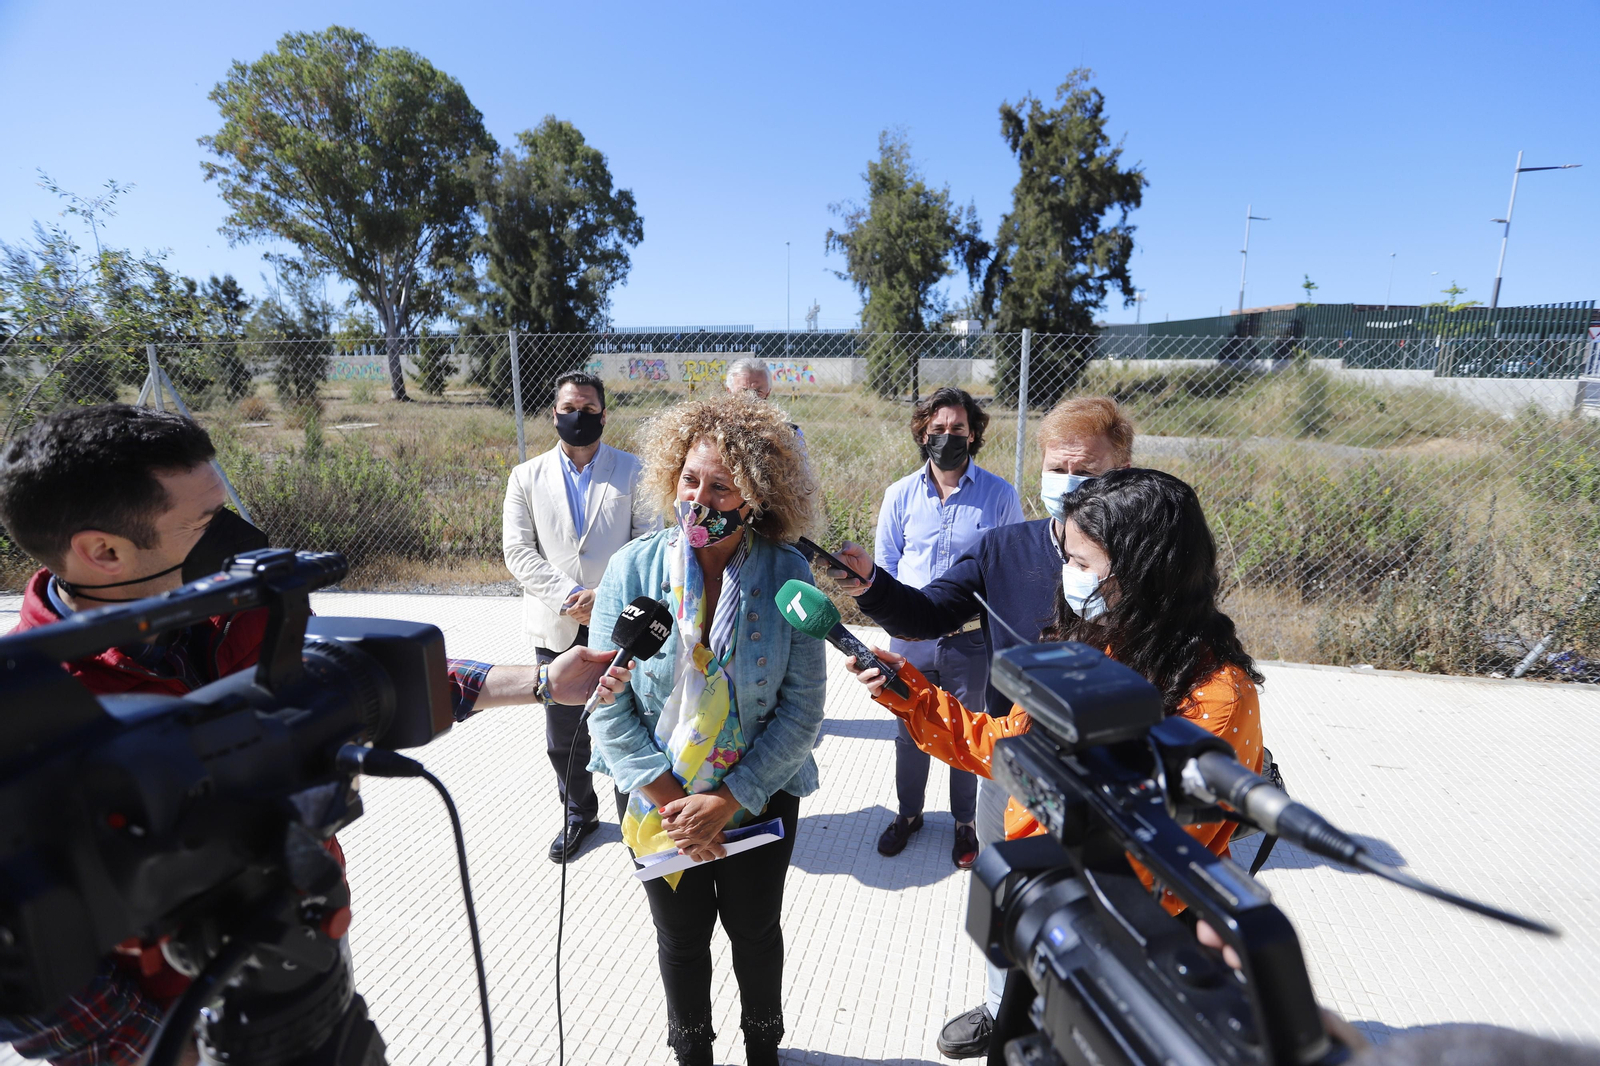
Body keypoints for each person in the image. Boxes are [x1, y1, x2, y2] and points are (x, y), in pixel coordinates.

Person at [0, 403, 629, 1066]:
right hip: (181, 1026)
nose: (236, 535)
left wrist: (542, 682)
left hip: (301, 960)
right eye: (205, 522)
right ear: (104, 552)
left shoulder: (228, 605)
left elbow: (353, 679)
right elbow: (31, 989)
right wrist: (173, 1048)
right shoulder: (32, 722)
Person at [847, 468, 1267, 1061]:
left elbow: (1136, 861)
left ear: (1145, 570)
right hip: (1050, 917)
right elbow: (1006, 745)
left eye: (1081, 562)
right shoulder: (1092, 641)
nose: (1066, 575)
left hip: (1125, 952)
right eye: (1066, 557)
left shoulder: (1214, 701)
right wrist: (912, 694)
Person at [833, 395, 1133, 1056]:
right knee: (1007, 893)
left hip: (1112, 774)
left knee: (1100, 908)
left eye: (1087, 471)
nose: (1069, 483)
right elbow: (926, 613)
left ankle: (1088, 1024)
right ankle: (1003, 1008)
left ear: (1123, 472)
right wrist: (871, 585)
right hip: (1013, 755)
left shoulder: (1150, 557)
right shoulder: (1006, 549)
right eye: (1058, 468)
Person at [585, 393, 825, 1066]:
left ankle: (763, 1049)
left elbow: (803, 710)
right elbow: (605, 704)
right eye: (690, 479)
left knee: (756, 931)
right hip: (655, 798)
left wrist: (727, 799)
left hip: (758, 794)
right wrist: (672, 802)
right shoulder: (633, 569)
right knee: (681, 938)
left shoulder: (787, 573)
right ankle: (692, 1053)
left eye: (721, 486)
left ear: (756, 497)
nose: (699, 498)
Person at [503, 369, 657, 862]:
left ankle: (637, 819)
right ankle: (579, 814)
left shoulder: (634, 471)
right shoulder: (526, 476)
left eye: (588, 409)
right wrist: (572, 595)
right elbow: (518, 552)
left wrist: (603, 596)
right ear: (554, 415)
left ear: (604, 415)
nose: (578, 417)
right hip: (557, 621)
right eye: (569, 409)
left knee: (628, 722)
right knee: (564, 732)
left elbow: (647, 541)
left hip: (621, 621)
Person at [872, 387, 1022, 868]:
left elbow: (1011, 566)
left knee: (966, 732)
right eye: (937, 429)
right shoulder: (900, 494)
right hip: (910, 639)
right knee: (909, 730)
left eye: (958, 428)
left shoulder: (999, 495)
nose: (947, 436)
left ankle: (964, 823)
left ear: (973, 434)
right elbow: (886, 566)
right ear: (923, 434)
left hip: (969, 640)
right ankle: (909, 814)